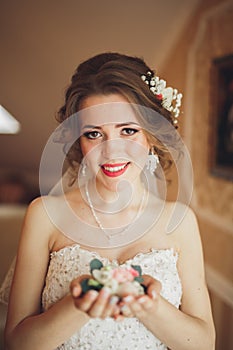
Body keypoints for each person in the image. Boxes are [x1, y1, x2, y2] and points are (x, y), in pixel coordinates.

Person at [4, 52, 215, 350]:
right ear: (79, 141)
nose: (112, 151)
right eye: (94, 134)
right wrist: (78, 306)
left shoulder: (179, 222)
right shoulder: (44, 215)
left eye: (128, 131)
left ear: (152, 136)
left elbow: (204, 344)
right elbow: (16, 343)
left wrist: (148, 305)